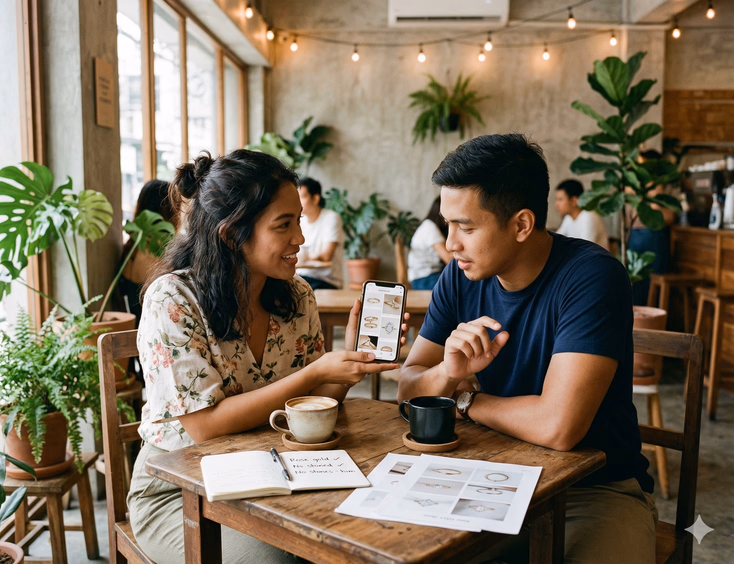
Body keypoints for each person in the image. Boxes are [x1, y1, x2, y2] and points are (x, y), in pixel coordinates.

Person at [129, 150, 403, 564]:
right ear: (231, 233)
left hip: (272, 470)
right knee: (285, 560)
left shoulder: (296, 295)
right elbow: (205, 426)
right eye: (284, 224)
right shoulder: (173, 300)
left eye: (300, 221)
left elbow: (315, 404)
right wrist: (314, 372)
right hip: (181, 490)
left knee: (368, 532)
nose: (300, 239)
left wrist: (347, 367)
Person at [397, 134, 656, 564]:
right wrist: (448, 371)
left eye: (466, 226)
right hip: (485, 478)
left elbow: (559, 427)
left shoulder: (591, 277)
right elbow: (407, 392)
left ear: (521, 224)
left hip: (592, 493)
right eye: (448, 224)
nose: (451, 242)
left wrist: (463, 399)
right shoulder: (460, 275)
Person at [118, 179, 177, 326]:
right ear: (169, 209)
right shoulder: (161, 248)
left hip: (131, 328)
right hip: (154, 329)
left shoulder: (134, 244)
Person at [628, 150, 677, 305]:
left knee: (639, 283)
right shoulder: (652, 185)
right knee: (646, 284)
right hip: (650, 236)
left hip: (636, 236)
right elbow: (664, 216)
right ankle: (649, 318)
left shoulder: (632, 184)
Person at [296, 177, 344, 290]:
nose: (297, 202)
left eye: (302, 197)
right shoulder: (300, 221)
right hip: (302, 278)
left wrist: (306, 256)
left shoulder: (331, 218)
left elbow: (326, 255)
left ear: (315, 198)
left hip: (326, 281)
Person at [408, 196, 452, 290]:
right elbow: (449, 259)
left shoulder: (428, 226)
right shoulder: (430, 228)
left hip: (425, 276)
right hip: (425, 278)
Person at [554, 179, 609, 250]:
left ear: (574, 201)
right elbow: (557, 240)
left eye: (560, 199)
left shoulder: (589, 217)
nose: (556, 204)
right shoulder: (569, 217)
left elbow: (585, 250)